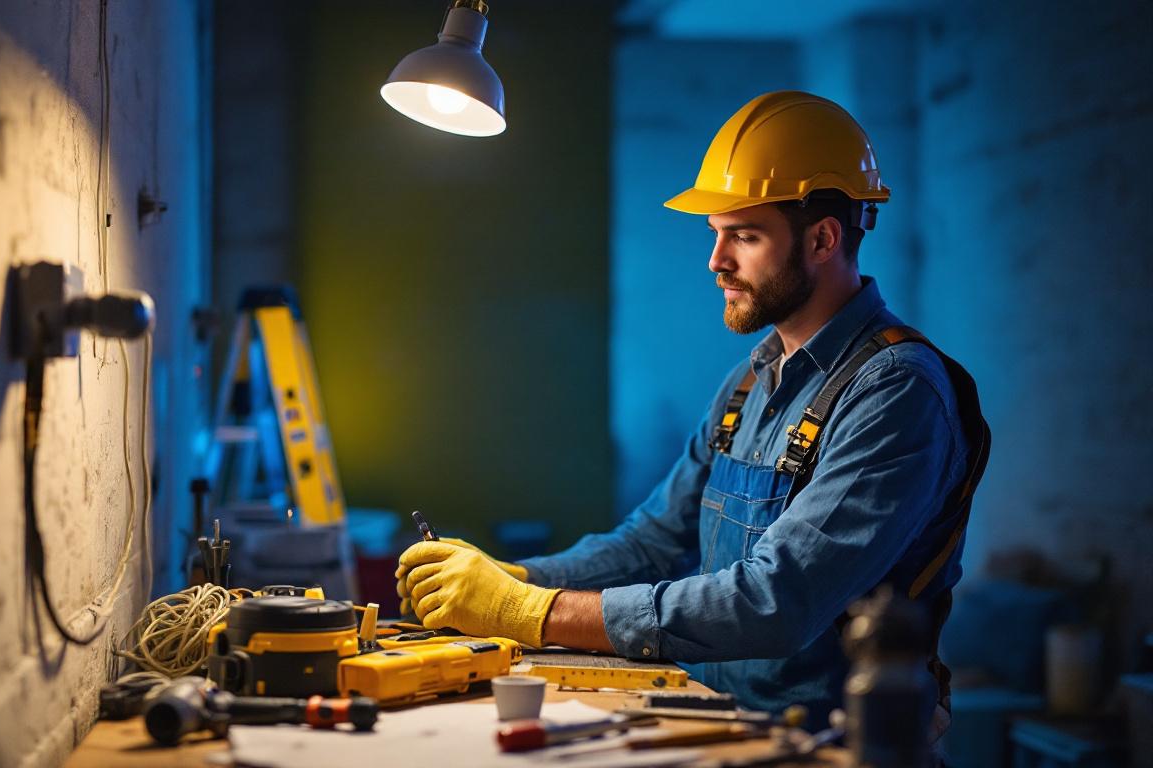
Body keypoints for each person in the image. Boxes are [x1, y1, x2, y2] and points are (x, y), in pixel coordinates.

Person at [396, 91, 989, 732]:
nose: (717, 263)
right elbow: (653, 544)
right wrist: (509, 577)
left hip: (832, 748)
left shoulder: (896, 392)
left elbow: (777, 600)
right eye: (716, 235)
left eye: (745, 236)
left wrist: (527, 611)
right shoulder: (749, 383)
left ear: (823, 238)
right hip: (723, 729)